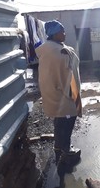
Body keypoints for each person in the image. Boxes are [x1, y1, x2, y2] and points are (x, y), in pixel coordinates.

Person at [35, 20, 82, 166]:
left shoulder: (48, 49)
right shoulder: (59, 53)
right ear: (54, 34)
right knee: (67, 123)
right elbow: (67, 79)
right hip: (63, 97)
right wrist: (75, 98)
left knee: (59, 123)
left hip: (51, 94)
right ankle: (66, 152)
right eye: (62, 31)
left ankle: (57, 147)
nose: (64, 33)